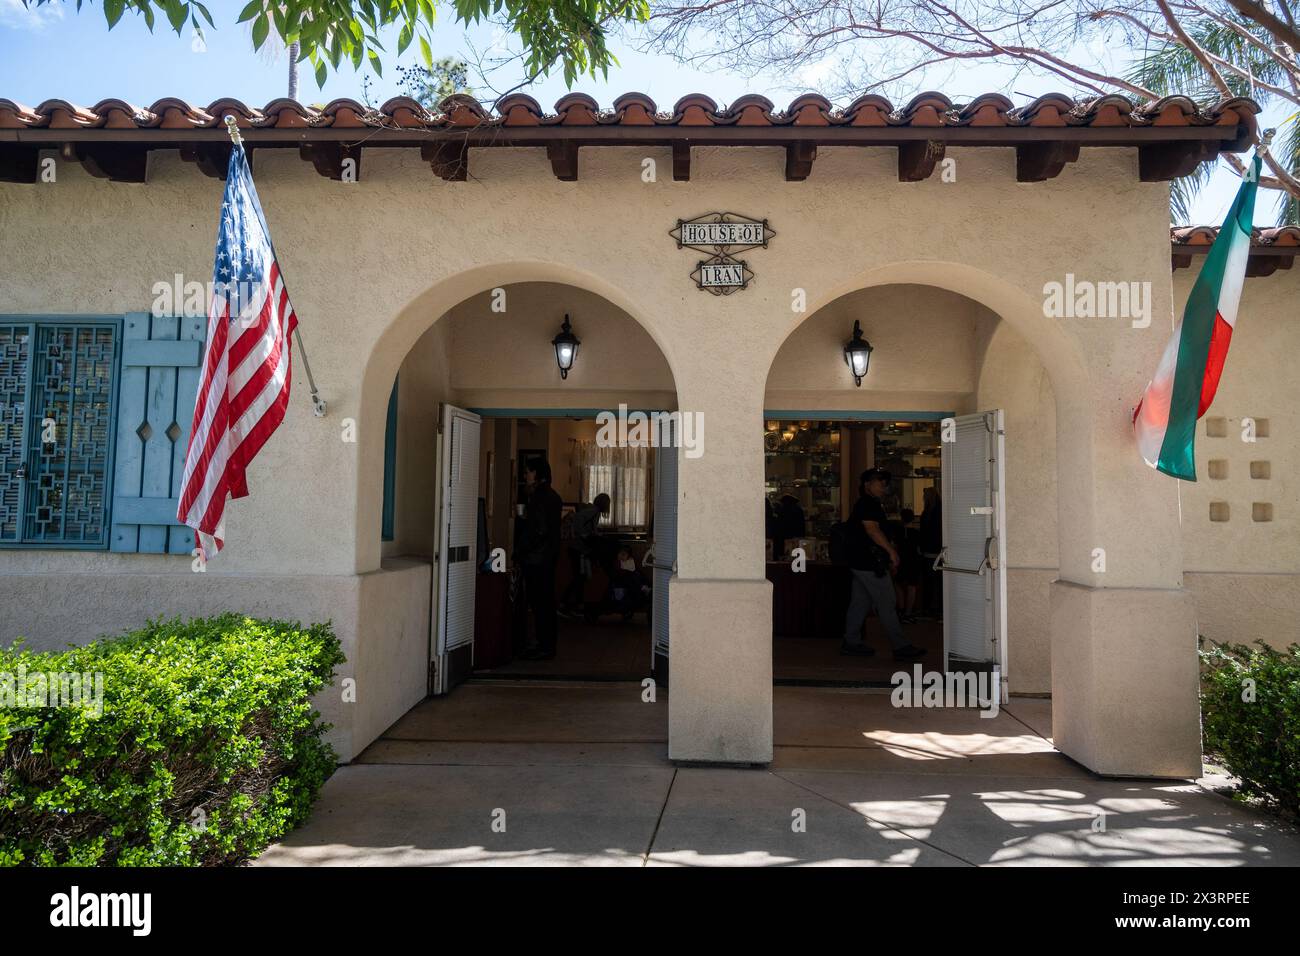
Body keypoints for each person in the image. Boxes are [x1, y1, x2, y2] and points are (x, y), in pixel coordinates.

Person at [841, 469, 926, 660]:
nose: (884, 487)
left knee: (860, 603)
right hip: (869, 563)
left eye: (885, 484)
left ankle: (851, 642)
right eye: (880, 483)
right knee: (887, 602)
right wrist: (892, 552)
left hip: (861, 561)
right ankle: (900, 645)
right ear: (867, 485)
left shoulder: (869, 504)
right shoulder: (867, 504)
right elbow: (872, 530)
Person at [518, 457, 563, 660]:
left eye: (528, 471)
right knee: (547, 603)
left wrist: (521, 550)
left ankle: (543, 646)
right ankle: (547, 644)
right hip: (548, 558)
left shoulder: (538, 498)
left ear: (536, 474)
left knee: (539, 604)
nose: (525, 475)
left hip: (536, 559)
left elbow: (539, 530)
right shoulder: (554, 496)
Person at [560, 492, 610, 616]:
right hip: (578, 548)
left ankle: (573, 605)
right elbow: (580, 523)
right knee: (579, 578)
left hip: (576, 548)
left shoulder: (592, 511)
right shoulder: (594, 512)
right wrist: (585, 535)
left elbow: (588, 526)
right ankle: (566, 604)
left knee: (579, 578)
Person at [920, 485, 943, 619]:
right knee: (939, 583)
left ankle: (929, 608)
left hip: (929, 551)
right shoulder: (940, 512)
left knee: (929, 582)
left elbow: (925, 532)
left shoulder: (927, 513)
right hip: (938, 550)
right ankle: (939, 609)